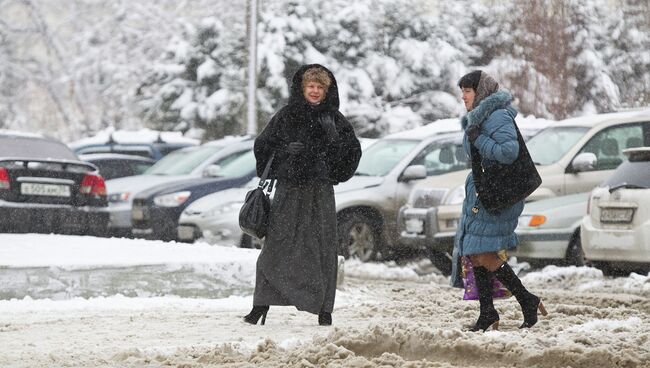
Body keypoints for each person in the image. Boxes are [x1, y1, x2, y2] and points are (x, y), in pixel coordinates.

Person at [244, 64, 361, 326]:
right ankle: (260, 305)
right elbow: (263, 146)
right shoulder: (286, 116)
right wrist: (285, 152)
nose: (315, 91)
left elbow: (353, 152)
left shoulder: (335, 119)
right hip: (289, 190)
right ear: (302, 87)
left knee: (323, 248)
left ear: (326, 90)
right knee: (276, 247)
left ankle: (324, 309)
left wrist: (334, 152)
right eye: (311, 86)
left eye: (320, 87)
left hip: (320, 191)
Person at [453, 70, 548, 332]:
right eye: (461, 92)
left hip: (498, 192)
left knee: (482, 252)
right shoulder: (478, 118)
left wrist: (478, 137)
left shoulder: (496, 116)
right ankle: (489, 312)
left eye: (468, 91)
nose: (463, 97)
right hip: (485, 191)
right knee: (477, 251)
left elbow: (509, 152)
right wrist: (475, 135)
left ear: (481, 92)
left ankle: (525, 299)